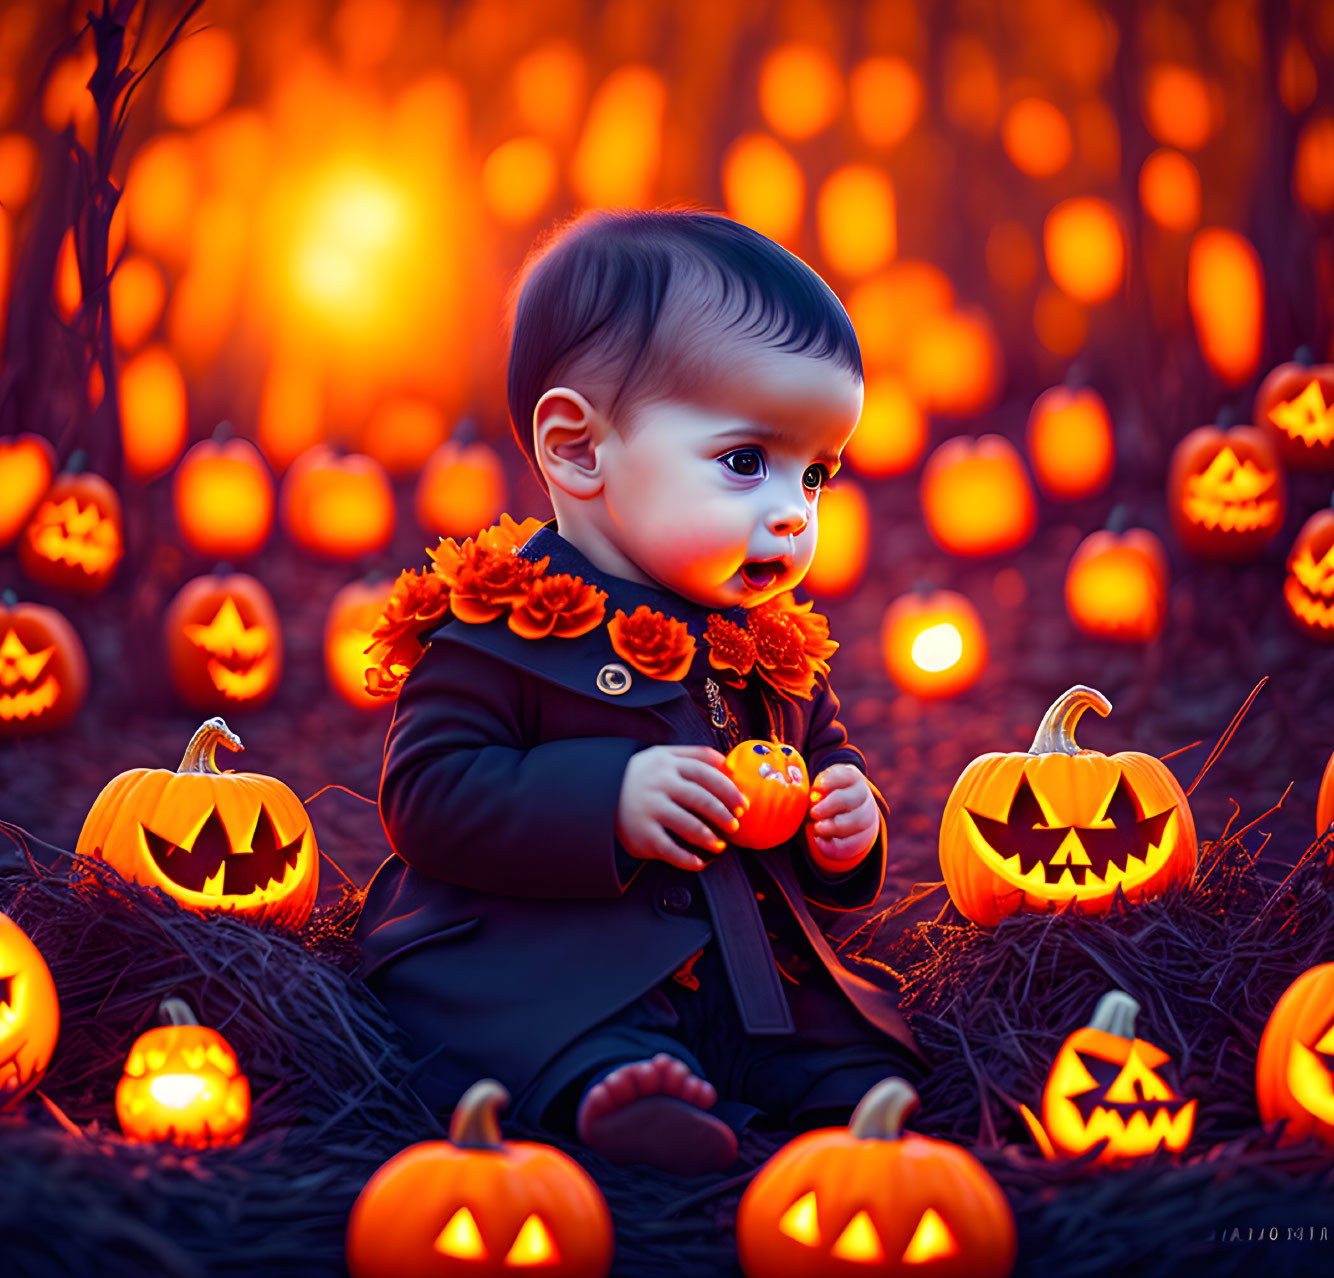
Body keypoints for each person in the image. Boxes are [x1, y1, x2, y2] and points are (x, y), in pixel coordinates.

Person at [358, 208, 929, 1177]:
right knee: (543, 1036)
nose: (791, 512)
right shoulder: (500, 623)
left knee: (845, 1041)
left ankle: (835, 1102)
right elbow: (427, 794)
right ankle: (613, 1096)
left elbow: (822, 752)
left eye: (816, 474)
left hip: (746, 962)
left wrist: (845, 821)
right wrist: (606, 799)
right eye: (746, 461)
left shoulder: (770, 643)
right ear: (579, 450)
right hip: (553, 958)